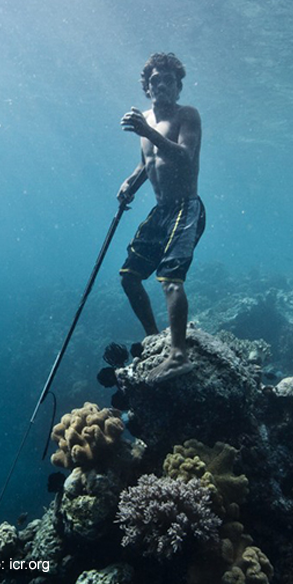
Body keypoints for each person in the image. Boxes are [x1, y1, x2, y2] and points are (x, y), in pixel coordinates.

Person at [117, 52, 205, 382]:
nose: (162, 85)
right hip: (160, 210)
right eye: (155, 80)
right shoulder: (147, 124)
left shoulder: (187, 115)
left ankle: (179, 354)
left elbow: (184, 157)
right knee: (129, 277)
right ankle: (154, 336)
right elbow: (147, 165)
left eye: (169, 80)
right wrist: (130, 184)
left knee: (170, 279)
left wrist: (147, 131)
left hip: (185, 206)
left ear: (179, 86)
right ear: (147, 87)